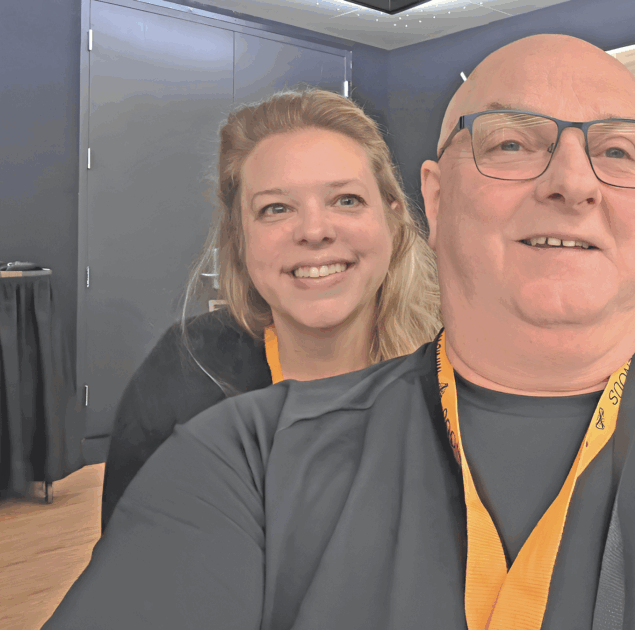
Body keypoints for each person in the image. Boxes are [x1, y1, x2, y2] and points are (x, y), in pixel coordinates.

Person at [46, 35, 635, 630]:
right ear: (433, 198)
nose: (572, 180)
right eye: (512, 141)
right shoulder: (243, 459)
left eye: (618, 152)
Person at [99, 88, 441, 530]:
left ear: (392, 217)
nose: (314, 230)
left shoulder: (460, 374)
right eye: (276, 208)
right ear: (239, 238)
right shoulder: (185, 376)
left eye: (346, 200)